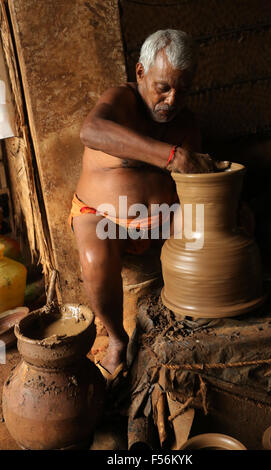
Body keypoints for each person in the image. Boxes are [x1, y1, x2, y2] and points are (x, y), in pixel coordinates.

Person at [69, 29, 228, 382]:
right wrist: (172, 156)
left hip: (161, 219)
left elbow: (193, 186)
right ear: (140, 74)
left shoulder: (185, 123)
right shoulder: (121, 101)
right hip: (102, 216)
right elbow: (91, 131)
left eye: (182, 90)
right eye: (163, 87)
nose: (172, 100)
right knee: (95, 260)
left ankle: (203, 321)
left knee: (222, 229)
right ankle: (115, 339)